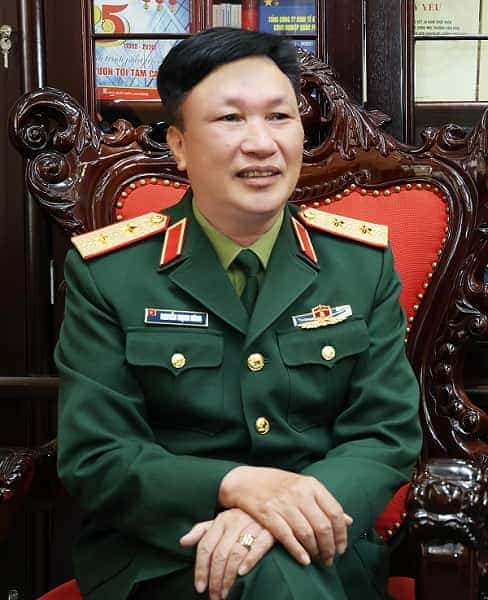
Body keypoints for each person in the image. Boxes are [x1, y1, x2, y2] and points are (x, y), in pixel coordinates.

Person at [56, 27, 422, 600]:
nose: (261, 144)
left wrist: (285, 514)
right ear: (179, 145)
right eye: (230, 119)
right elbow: (97, 454)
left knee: (279, 572)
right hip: (165, 550)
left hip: (325, 544)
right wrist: (234, 486)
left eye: (279, 117)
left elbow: (385, 432)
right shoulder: (110, 272)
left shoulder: (360, 263)